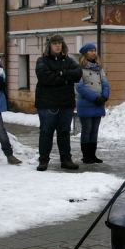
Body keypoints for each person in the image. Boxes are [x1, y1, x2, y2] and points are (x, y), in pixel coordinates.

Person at [35, 34, 82, 171]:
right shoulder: (42, 61)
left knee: (64, 132)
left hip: (65, 103)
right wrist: (66, 79)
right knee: (46, 132)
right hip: (47, 103)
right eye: (55, 43)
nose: (58, 45)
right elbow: (45, 77)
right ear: (49, 45)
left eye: (60, 43)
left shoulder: (68, 60)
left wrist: (60, 74)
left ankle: (66, 159)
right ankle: (43, 159)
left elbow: (78, 74)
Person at [75, 43, 110, 164]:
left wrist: (104, 96)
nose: (94, 53)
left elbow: (105, 84)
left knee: (95, 129)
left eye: (95, 50)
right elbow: (79, 87)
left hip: (98, 103)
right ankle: (86, 156)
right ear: (85, 53)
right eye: (91, 50)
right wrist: (94, 98)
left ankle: (93, 154)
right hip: (86, 103)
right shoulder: (79, 68)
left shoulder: (99, 68)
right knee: (87, 129)